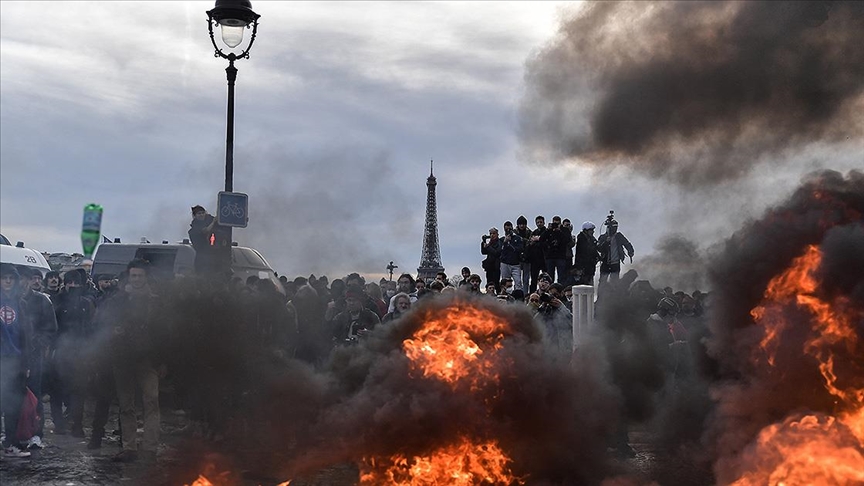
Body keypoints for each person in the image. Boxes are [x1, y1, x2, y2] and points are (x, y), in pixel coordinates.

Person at [99, 259, 163, 462]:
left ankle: (150, 447)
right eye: (133, 275)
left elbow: (166, 332)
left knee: (151, 402)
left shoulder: (155, 302)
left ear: (146, 277)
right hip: (123, 359)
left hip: (148, 359)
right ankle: (129, 447)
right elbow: (105, 323)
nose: (136, 279)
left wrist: (163, 361)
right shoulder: (119, 300)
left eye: (140, 276)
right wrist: (114, 332)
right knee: (127, 406)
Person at [18, 268, 57, 449]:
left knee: (35, 394)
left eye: (30, 279)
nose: (25, 282)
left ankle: (36, 433)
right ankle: (15, 434)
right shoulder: (8, 301)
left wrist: (39, 343)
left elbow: (51, 328)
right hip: (12, 355)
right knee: (11, 395)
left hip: (34, 354)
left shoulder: (42, 300)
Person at [0, 264, 33, 457]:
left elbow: (26, 336)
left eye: (11, 278)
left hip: (16, 360)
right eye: (4, 278)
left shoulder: (21, 304)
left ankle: (10, 443)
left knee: (13, 404)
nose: (7, 281)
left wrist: (26, 363)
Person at [597, 213, 635, 284]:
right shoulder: (603, 237)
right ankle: (601, 295)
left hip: (616, 263)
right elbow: (599, 248)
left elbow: (627, 243)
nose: (615, 229)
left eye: (616, 227)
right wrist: (606, 242)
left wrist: (630, 251)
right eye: (613, 227)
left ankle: (614, 295)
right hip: (605, 263)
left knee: (614, 282)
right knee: (603, 282)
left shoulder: (619, 236)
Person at [541, 216, 572, 284]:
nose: (555, 226)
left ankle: (560, 291)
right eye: (554, 223)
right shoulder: (549, 230)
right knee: (550, 276)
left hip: (561, 256)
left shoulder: (564, 230)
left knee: (561, 276)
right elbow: (541, 239)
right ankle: (549, 290)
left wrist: (560, 230)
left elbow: (567, 240)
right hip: (550, 256)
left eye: (557, 224)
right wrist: (548, 230)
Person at [188, 205, 218, 274]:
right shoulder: (194, 228)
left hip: (215, 257)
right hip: (202, 258)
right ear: (195, 216)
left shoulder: (210, 219)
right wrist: (213, 222)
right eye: (199, 213)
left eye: (202, 212)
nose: (201, 215)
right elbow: (205, 231)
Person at [498, 221, 524, 292]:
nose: (508, 231)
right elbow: (499, 251)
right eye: (506, 229)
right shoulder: (501, 240)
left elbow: (520, 249)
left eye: (509, 229)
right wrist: (505, 242)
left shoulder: (518, 238)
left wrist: (510, 245)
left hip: (515, 264)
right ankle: (507, 296)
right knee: (505, 282)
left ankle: (518, 296)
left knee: (518, 282)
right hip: (505, 263)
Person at [573, 221, 600, 285]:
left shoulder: (591, 239)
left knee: (590, 282)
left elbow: (594, 250)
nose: (593, 232)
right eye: (591, 230)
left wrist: (598, 257)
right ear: (586, 231)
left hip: (590, 266)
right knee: (584, 284)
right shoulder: (581, 239)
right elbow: (587, 251)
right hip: (584, 266)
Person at [525, 216, 547, 293]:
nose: (539, 224)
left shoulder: (547, 232)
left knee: (546, 278)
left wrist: (539, 240)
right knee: (534, 279)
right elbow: (530, 244)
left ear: (544, 222)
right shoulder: (534, 232)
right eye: (538, 222)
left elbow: (546, 244)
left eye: (541, 222)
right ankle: (532, 294)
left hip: (544, 259)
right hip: (535, 259)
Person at [514, 215, 533, 293]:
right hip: (516, 258)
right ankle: (517, 293)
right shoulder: (514, 233)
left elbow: (531, 243)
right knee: (517, 279)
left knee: (526, 279)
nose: (522, 226)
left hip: (527, 258)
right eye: (520, 224)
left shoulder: (529, 232)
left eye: (523, 224)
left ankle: (525, 294)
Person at [480, 227, 502, 293]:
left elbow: (497, 253)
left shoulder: (499, 242)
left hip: (496, 266)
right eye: (491, 234)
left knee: (496, 283)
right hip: (489, 266)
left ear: (497, 234)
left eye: (494, 233)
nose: (492, 235)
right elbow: (483, 252)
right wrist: (483, 242)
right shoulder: (489, 243)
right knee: (489, 282)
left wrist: (488, 247)